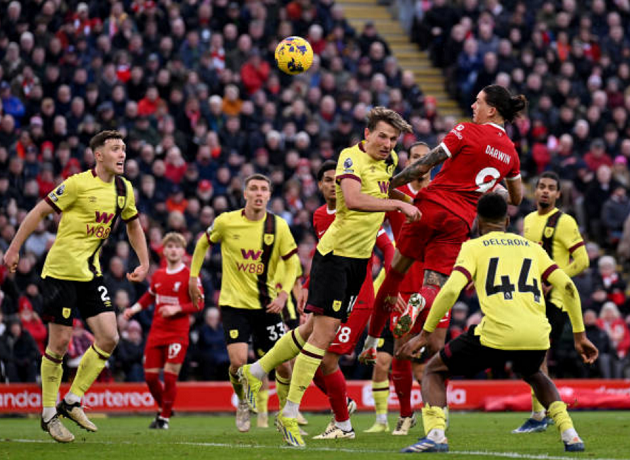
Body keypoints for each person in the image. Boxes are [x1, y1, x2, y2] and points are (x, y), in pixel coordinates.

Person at [238, 106, 419, 447]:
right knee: (322, 338)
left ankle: (254, 372)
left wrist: (407, 198)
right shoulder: (350, 158)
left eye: (394, 139)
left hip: (357, 262)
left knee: (308, 331)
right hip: (335, 258)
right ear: (367, 133)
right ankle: (289, 413)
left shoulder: (390, 160)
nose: (387, 144)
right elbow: (352, 199)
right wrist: (398, 206)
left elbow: (387, 188)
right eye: (382, 135)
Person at [397, 193, 599, 453]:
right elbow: (568, 286)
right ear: (506, 219)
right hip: (537, 334)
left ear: (478, 221)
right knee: (534, 373)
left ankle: (436, 435)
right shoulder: (532, 247)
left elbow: (449, 291)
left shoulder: (473, 247)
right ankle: (570, 433)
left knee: (434, 371)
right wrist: (580, 336)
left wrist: (424, 335)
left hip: (496, 334)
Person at [359, 85, 525, 368]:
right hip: (460, 220)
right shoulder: (511, 153)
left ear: (492, 110)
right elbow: (516, 198)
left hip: (431, 207)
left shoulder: (465, 131)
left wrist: (388, 184)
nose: (473, 106)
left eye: (478, 102)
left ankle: (372, 341)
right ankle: (419, 303)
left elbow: (423, 165)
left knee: (395, 273)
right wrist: (483, 188)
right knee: (433, 283)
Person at [2, 130, 149, 443]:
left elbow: (133, 224)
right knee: (60, 343)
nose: (122, 154)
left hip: (91, 273)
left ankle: (72, 400)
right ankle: (48, 413)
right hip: (60, 272)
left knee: (109, 337)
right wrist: (14, 249)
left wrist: (145, 262)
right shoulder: (78, 184)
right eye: (114, 149)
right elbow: (39, 211)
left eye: (123, 148)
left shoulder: (124, 189)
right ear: (98, 155)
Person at [188, 174, 301, 433]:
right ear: (245, 194)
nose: (259, 193)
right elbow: (203, 242)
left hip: (267, 305)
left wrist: (284, 295)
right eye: (254, 189)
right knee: (238, 363)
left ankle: (287, 415)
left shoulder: (278, 226)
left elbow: (291, 261)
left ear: (269, 195)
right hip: (234, 304)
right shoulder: (226, 222)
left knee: (284, 365)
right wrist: (193, 276)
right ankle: (242, 401)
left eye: (264, 189)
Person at [302, 160, 394, 440]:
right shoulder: (319, 216)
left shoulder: (359, 211)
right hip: (328, 295)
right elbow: (323, 254)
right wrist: (307, 286)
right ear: (320, 185)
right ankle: (343, 404)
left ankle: (343, 424)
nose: (332, 184)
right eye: (327, 180)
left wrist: (394, 283)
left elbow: (388, 248)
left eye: (336, 179)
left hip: (357, 297)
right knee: (307, 358)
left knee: (326, 360)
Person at [365, 141, 448, 436]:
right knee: (400, 352)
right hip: (404, 283)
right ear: (408, 162)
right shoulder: (394, 195)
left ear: (433, 164)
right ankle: (404, 415)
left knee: (437, 347)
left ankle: (440, 409)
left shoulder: (444, 193)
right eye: (414, 157)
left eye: (425, 158)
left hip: (436, 280)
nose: (420, 162)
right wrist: (388, 257)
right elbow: (371, 222)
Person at [513, 171, 588, 433]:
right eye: (541, 186)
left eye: (551, 188)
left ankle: (539, 415)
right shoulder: (529, 220)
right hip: (532, 297)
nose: (545, 191)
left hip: (554, 300)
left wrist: (553, 278)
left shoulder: (564, 222)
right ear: (535, 192)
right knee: (532, 353)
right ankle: (539, 414)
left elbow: (582, 260)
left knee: (537, 353)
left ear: (558, 194)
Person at [124, 232, 201, 430]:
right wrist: (133, 309)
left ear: (183, 251)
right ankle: (165, 407)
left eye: (177, 247)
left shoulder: (190, 276)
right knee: (150, 377)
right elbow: (149, 297)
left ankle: (164, 418)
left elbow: (199, 303)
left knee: (169, 376)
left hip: (177, 332)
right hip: (157, 331)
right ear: (164, 251)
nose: (173, 250)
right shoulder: (158, 275)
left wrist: (177, 309)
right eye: (170, 246)